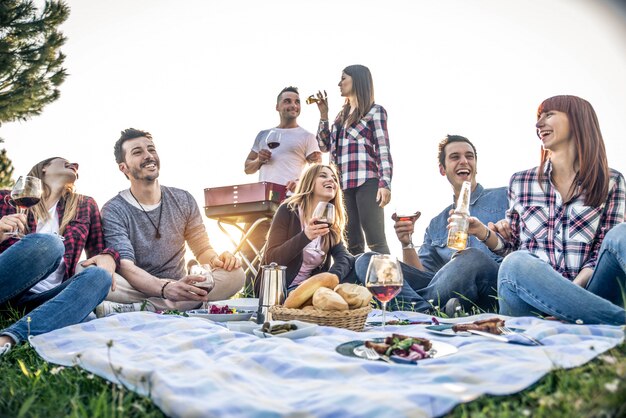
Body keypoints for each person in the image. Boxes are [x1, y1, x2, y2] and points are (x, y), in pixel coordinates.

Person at [471, 95, 625, 325]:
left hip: (591, 294)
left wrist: (567, 299)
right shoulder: (521, 181)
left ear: (577, 120)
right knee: (516, 261)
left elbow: (600, 255)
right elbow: (511, 247)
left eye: (549, 115)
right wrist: (482, 232)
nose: (538, 124)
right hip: (529, 304)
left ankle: (588, 318)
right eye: (538, 117)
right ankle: (618, 323)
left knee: (621, 234)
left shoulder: (611, 181)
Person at [98, 128, 245, 315]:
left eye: (151, 149)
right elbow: (126, 266)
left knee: (236, 274)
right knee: (89, 274)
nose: (148, 155)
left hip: (180, 285)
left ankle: (142, 309)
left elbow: (202, 250)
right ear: (123, 167)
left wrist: (218, 260)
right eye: (138, 152)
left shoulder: (183, 199)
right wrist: (163, 288)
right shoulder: (114, 209)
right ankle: (176, 304)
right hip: (137, 286)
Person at [355, 135, 508, 314]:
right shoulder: (436, 224)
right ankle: (427, 312)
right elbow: (423, 275)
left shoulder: (504, 196)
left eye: (469, 156)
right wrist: (406, 243)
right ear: (443, 169)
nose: (464, 161)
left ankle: (415, 310)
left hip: (491, 284)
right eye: (455, 157)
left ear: (476, 165)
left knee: (471, 257)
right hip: (445, 291)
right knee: (369, 261)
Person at [1, 157, 116, 355]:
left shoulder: (85, 205)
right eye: (64, 160)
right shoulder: (6, 198)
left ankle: (8, 339)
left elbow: (99, 250)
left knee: (100, 277)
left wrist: (109, 256)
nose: (75, 163)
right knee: (50, 244)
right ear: (44, 167)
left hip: (41, 302)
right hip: (6, 284)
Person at [242, 86, 322, 289]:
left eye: (297, 102)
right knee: (250, 245)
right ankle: (250, 291)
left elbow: (317, 166)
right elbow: (247, 168)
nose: (293, 105)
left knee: (282, 248)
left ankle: (281, 289)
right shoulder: (264, 134)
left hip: (291, 201)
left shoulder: (306, 137)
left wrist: (304, 181)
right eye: (287, 101)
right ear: (277, 106)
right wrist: (259, 160)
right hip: (261, 200)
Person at [315, 64, 392, 255]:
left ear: (356, 81)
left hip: (367, 181)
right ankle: (356, 282)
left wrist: (385, 184)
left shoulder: (375, 111)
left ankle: (388, 281)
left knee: (375, 239)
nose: (339, 83)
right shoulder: (339, 117)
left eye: (343, 79)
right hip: (342, 186)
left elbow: (383, 149)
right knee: (352, 242)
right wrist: (324, 115)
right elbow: (323, 146)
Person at [262, 164, 354, 291]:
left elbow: (345, 257)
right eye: (323, 176)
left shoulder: (328, 222)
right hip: (281, 290)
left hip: (313, 289)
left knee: (365, 260)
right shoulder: (288, 210)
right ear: (309, 182)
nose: (331, 180)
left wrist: (327, 279)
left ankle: (380, 305)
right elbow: (272, 259)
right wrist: (305, 236)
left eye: (334, 178)